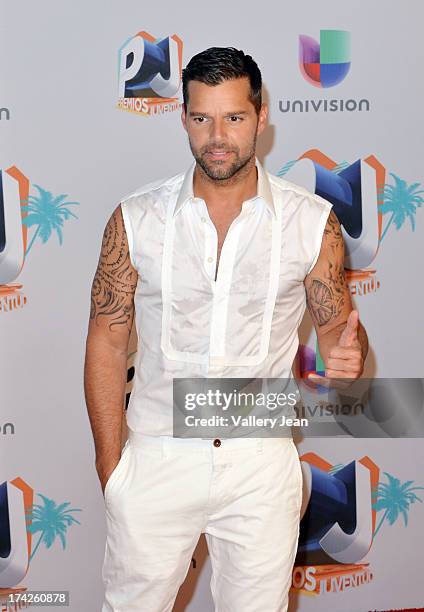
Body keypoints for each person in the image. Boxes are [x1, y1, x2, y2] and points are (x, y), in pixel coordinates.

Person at [84, 46, 368, 612]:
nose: (217, 135)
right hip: (156, 459)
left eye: (234, 118)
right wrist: (112, 468)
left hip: (259, 464)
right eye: (201, 117)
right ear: (183, 117)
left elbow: (338, 328)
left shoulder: (311, 222)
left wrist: (345, 353)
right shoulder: (135, 219)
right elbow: (107, 343)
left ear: (261, 118)